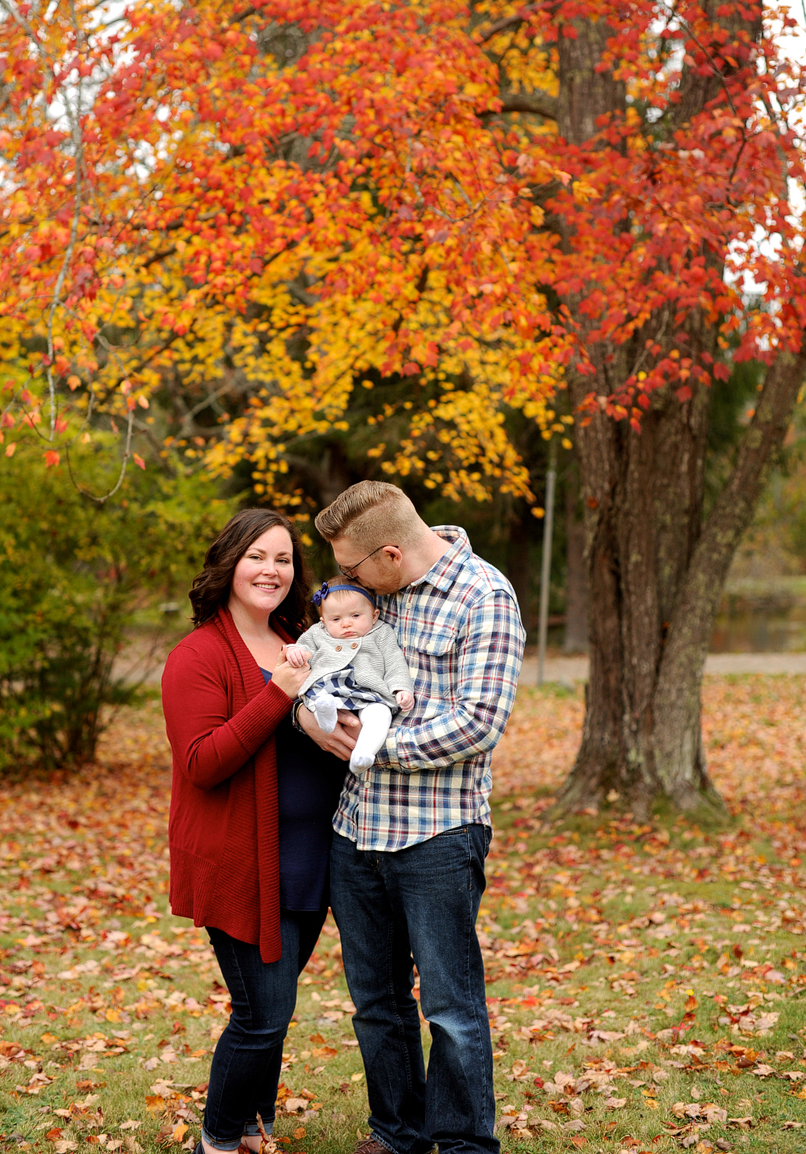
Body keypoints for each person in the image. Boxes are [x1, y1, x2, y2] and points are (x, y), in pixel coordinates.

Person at [298, 481, 525, 1154]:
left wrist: (371, 747)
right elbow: (315, 669)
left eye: (353, 568)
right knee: (377, 1001)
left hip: (438, 834)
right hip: (355, 831)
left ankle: (461, 1143)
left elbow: (478, 723)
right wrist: (313, 725)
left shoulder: (483, 597)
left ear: (390, 554)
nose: (346, 581)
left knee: (450, 1007)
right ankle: (397, 1132)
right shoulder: (373, 598)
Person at [161, 509, 346, 1154]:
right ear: (228, 563)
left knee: (278, 1009)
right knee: (262, 1013)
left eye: (284, 559)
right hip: (241, 858)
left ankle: (251, 1124)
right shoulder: (198, 655)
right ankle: (216, 1138)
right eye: (257, 557)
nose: (271, 570)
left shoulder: (302, 637)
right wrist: (279, 693)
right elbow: (201, 763)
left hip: (308, 858)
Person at [286, 576, 415, 775]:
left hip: (369, 692)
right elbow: (302, 647)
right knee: (318, 698)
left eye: (355, 616)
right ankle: (326, 715)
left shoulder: (381, 632)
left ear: (374, 615)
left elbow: (394, 661)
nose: (346, 624)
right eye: (336, 619)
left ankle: (363, 754)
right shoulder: (317, 632)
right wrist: (295, 651)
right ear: (323, 622)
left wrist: (401, 687)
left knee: (381, 714)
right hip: (328, 687)